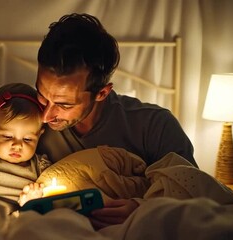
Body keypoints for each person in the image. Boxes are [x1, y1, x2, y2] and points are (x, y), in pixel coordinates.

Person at [35, 13, 197, 229]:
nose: (45, 116)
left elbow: (193, 195)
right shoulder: (22, 116)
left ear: (102, 93)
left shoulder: (155, 125)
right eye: (42, 96)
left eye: (64, 105)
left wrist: (143, 209)